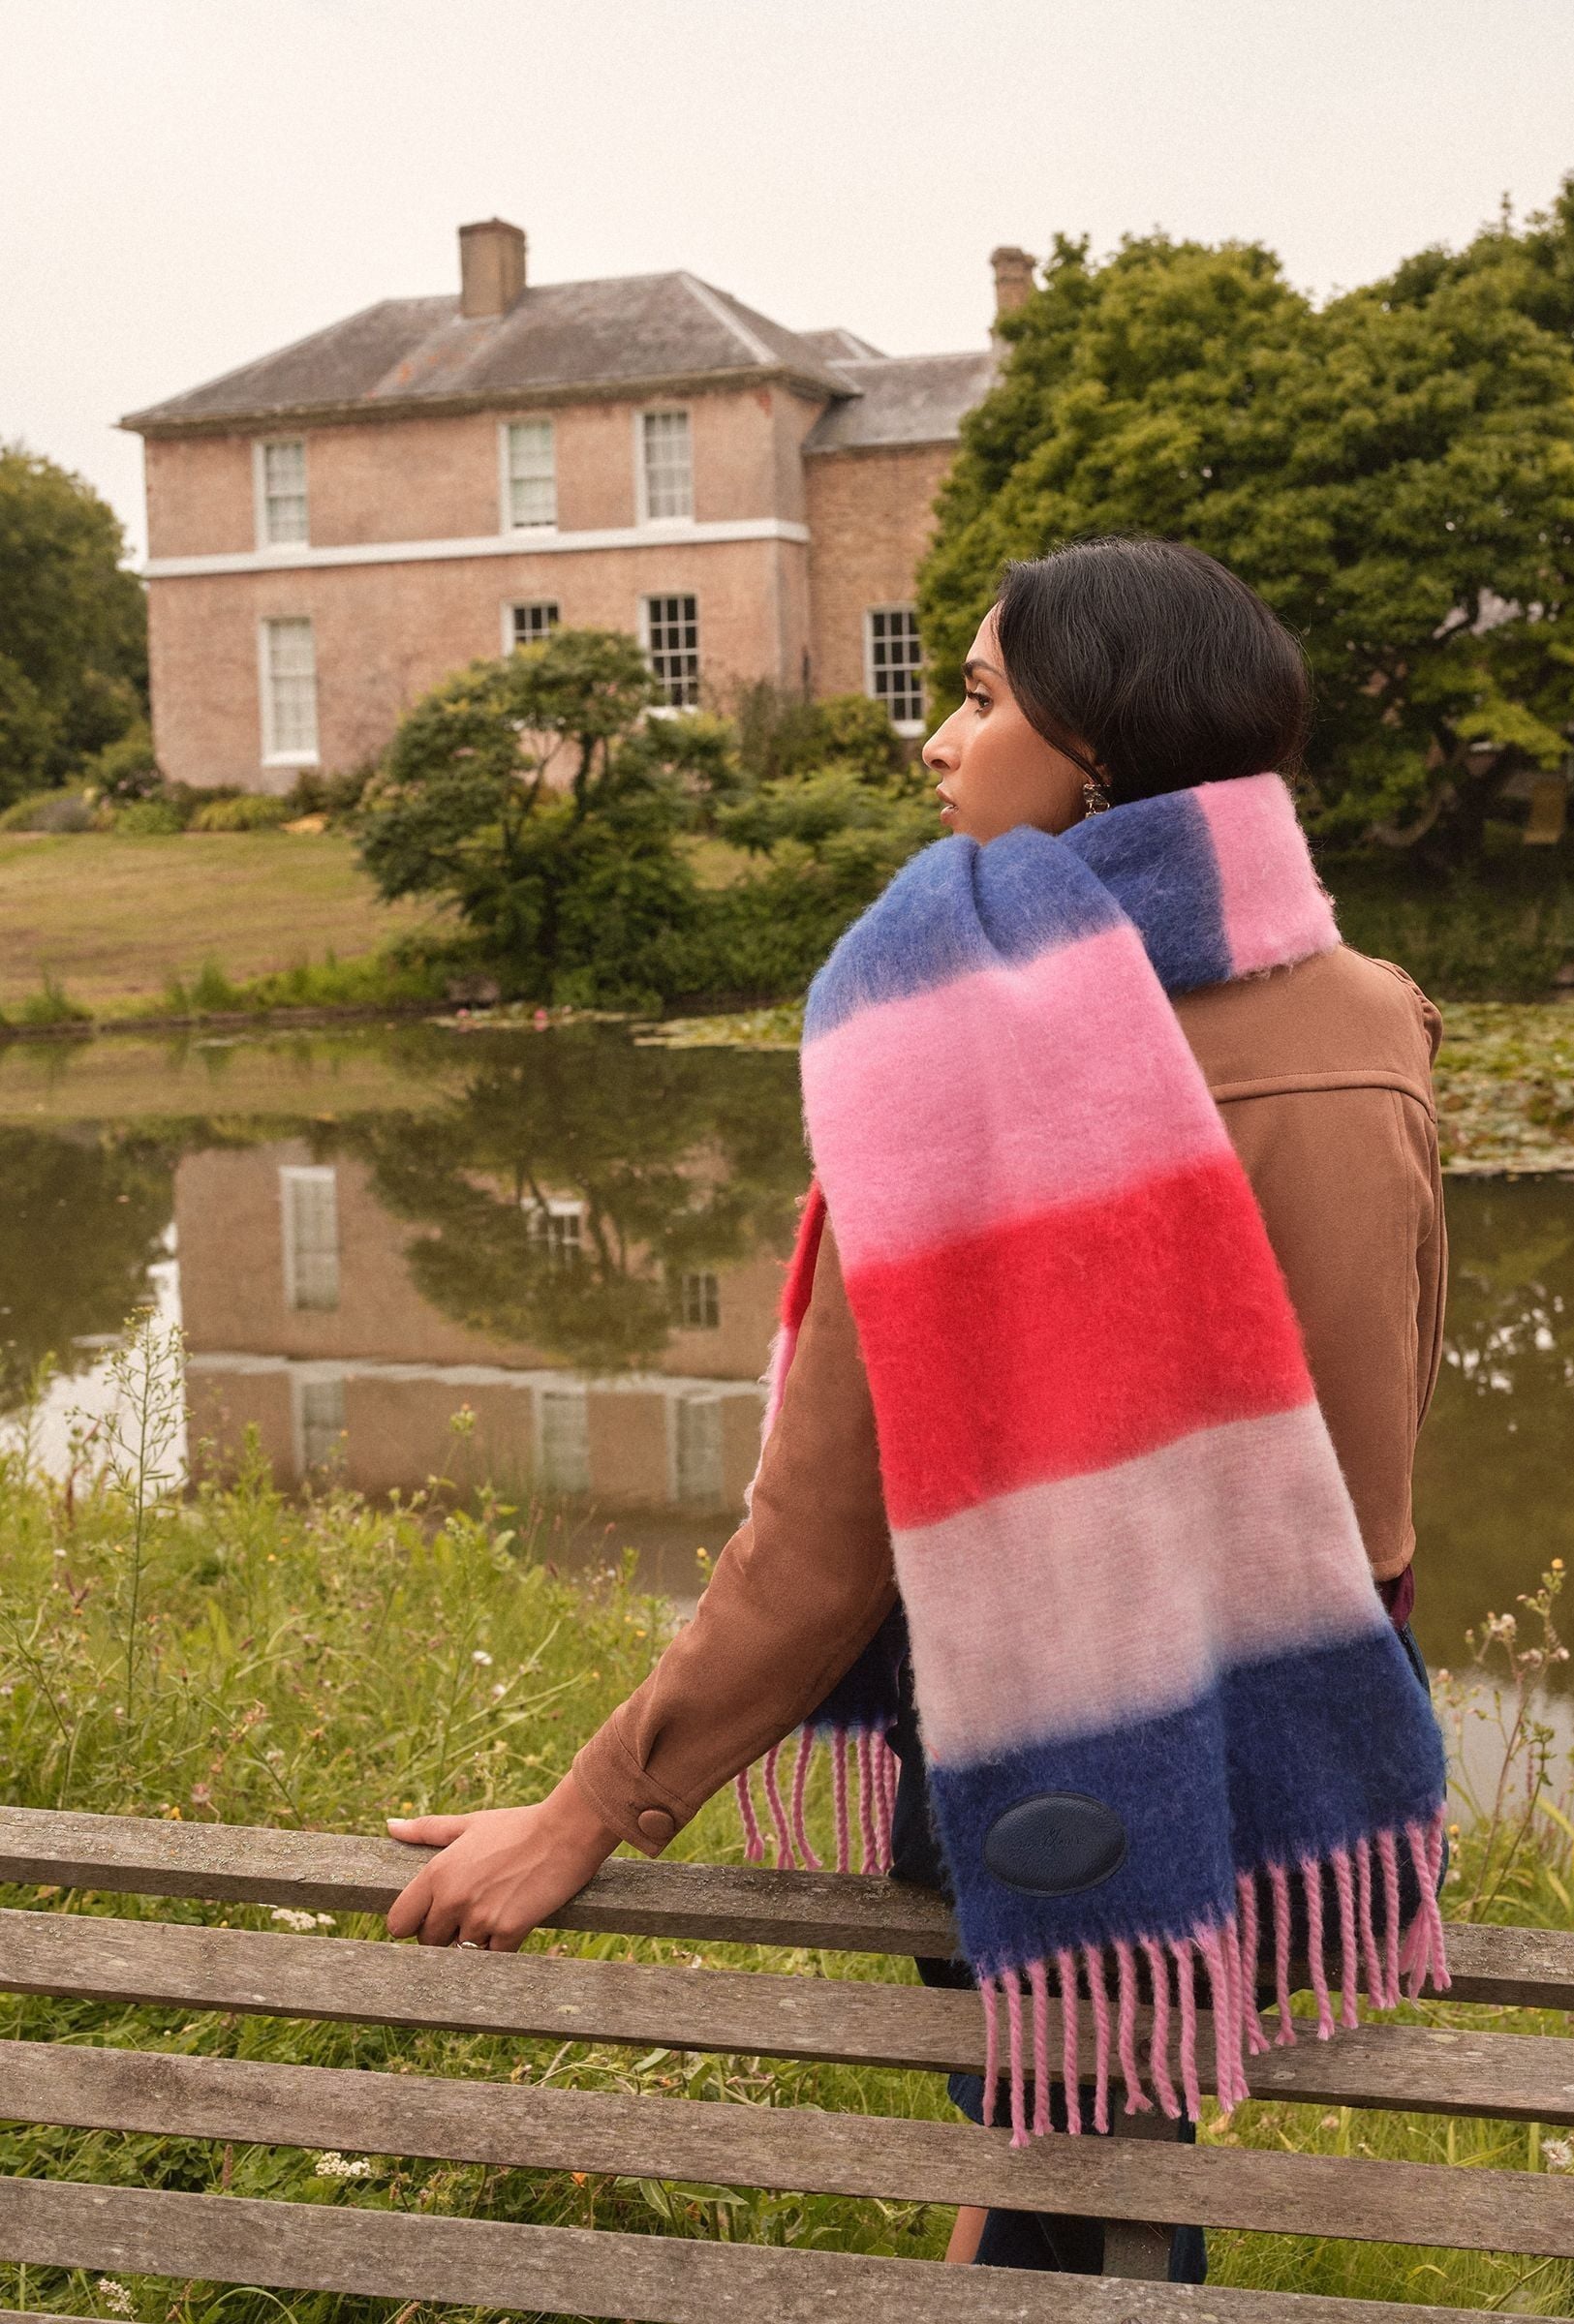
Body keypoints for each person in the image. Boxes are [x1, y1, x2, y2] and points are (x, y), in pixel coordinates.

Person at [386, 537, 1449, 2281]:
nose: (935, 745)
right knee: (1081, 2144)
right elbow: (1386, 1418)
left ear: (1096, 751)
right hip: (1313, 1711)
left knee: (1071, 2169)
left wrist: (586, 1813)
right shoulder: (1375, 1017)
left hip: (1041, 1724)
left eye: (974, 698)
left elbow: (825, 1543)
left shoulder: (961, 1037)